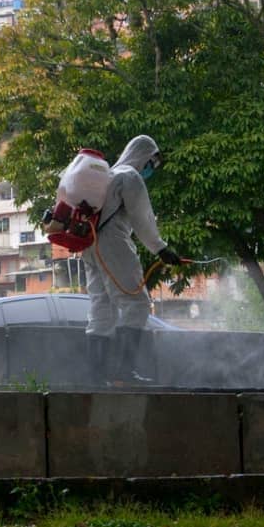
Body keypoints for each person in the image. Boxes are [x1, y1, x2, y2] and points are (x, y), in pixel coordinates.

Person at [81, 135, 181, 380]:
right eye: (152, 163)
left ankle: (95, 376)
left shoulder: (108, 176)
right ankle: (124, 373)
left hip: (89, 245)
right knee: (136, 304)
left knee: (102, 309)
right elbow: (142, 217)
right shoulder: (130, 176)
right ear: (144, 156)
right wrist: (161, 249)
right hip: (112, 244)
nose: (151, 169)